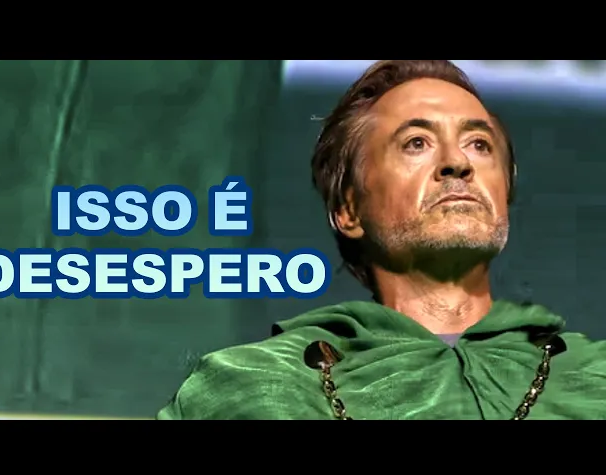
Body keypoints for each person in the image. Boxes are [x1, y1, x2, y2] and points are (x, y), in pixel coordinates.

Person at [157, 60, 606, 420]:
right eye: (416, 143)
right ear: (349, 211)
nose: (457, 162)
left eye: (479, 144)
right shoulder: (252, 388)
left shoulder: (594, 376)